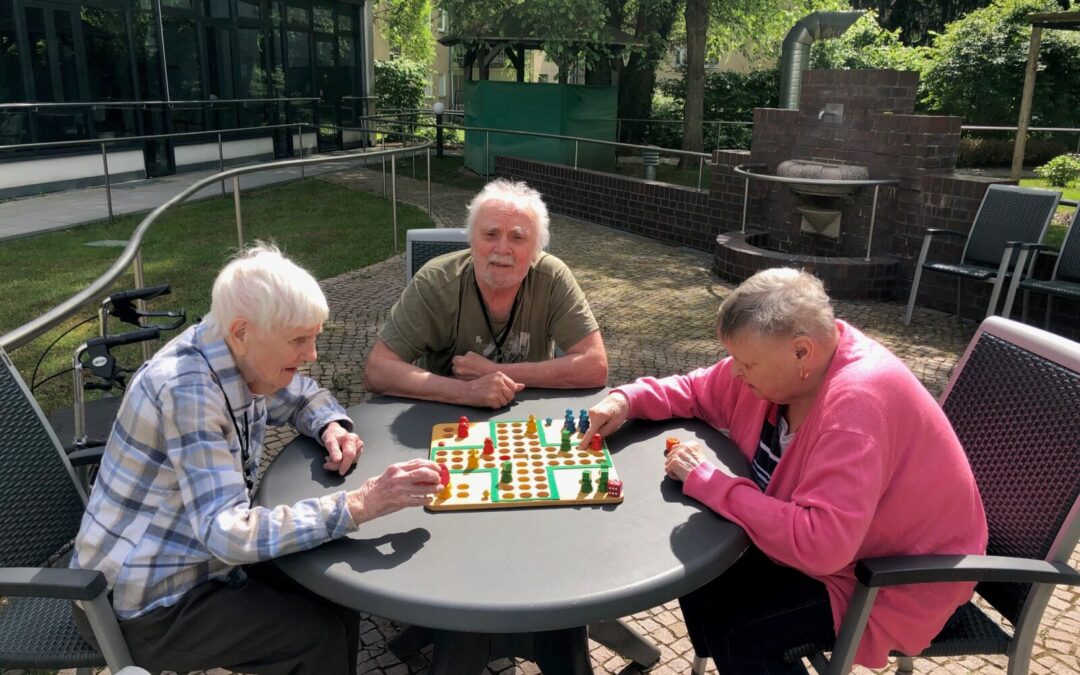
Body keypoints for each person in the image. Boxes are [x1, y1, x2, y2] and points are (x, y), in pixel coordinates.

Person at [580, 267, 988, 673]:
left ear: (801, 352)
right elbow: (695, 390)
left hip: (890, 578)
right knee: (698, 570)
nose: (736, 372)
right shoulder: (787, 372)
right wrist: (626, 401)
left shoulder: (856, 406)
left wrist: (714, 484)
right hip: (832, 547)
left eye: (747, 363)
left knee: (743, 632)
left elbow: (822, 546)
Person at [70, 244, 441, 675]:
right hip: (145, 602)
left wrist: (330, 426)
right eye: (299, 340)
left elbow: (303, 395)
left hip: (201, 563)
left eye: (315, 337)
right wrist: (361, 503)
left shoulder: (236, 354)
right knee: (312, 640)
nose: (313, 354)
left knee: (339, 590)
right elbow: (228, 534)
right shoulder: (188, 393)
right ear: (242, 330)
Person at [363, 179, 608, 408]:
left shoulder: (552, 277)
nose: (502, 249)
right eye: (490, 234)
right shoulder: (435, 281)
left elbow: (595, 366)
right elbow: (378, 370)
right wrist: (465, 392)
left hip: (530, 417)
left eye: (517, 237)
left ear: (536, 249)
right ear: (471, 240)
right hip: (444, 415)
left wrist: (493, 372)